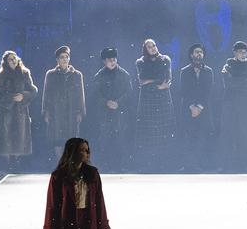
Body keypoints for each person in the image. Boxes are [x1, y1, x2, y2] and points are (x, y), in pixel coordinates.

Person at [88, 48, 133, 172]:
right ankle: (105, 165)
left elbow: (129, 93)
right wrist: (106, 102)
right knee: (104, 138)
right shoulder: (99, 76)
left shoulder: (124, 74)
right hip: (104, 113)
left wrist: (118, 103)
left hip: (120, 112)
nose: (112, 62)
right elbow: (95, 94)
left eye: (114, 59)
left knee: (121, 138)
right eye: (109, 60)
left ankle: (122, 165)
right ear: (104, 61)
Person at [134, 39, 174, 169]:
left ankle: (164, 164)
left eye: (154, 45)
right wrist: (157, 85)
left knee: (164, 131)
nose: (152, 48)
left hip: (163, 99)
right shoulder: (140, 62)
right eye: (149, 47)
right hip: (147, 99)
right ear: (145, 49)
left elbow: (166, 80)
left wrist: (150, 82)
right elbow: (141, 81)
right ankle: (148, 164)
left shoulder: (165, 60)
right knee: (147, 130)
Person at [0, 50, 38, 172]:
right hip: (7, 110)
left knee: (20, 135)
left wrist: (23, 96)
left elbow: (33, 90)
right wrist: (9, 98)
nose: (13, 60)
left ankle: (16, 163)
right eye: (10, 59)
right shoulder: (2, 75)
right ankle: (9, 164)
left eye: (14, 58)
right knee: (7, 135)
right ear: (6, 62)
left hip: (20, 110)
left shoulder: (25, 73)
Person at [220, 41, 247, 171]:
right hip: (230, 104)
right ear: (234, 53)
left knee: (246, 134)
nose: (242, 54)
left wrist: (236, 81)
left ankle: (246, 164)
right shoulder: (228, 66)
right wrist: (243, 82)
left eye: (244, 52)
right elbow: (228, 83)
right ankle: (229, 164)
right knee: (230, 133)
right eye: (239, 52)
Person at [177, 43, 217, 170]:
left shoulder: (209, 71)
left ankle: (202, 165)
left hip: (203, 109)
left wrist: (199, 107)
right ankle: (189, 166)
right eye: (196, 52)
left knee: (203, 137)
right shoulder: (184, 71)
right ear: (191, 55)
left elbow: (209, 91)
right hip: (188, 110)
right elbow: (184, 90)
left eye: (201, 52)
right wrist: (192, 107)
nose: (199, 54)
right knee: (189, 137)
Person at [43, 46, 87, 162]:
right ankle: (60, 163)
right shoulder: (51, 74)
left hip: (71, 111)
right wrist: (46, 112)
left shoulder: (77, 75)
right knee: (57, 139)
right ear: (57, 59)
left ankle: (70, 164)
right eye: (62, 57)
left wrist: (80, 112)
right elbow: (46, 94)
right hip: (56, 112)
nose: (65, 59)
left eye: (67, 57)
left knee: (71, 138)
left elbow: (80, 95)